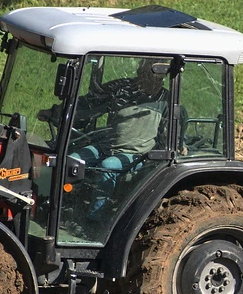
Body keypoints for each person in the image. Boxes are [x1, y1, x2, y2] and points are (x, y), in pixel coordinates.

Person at [69, 58, 170, 217]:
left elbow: (170, 134)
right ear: (140, 71)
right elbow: (90, 104)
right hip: (106, 146)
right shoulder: (122, 90)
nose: (154, 81)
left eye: (158, 78)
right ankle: (67, 208)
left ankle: (93, 220)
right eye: (148, 74)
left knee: (107, 166)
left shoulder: (166, 100)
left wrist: (178, 146)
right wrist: (60, 114)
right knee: (72, 160)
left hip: (135, 155)